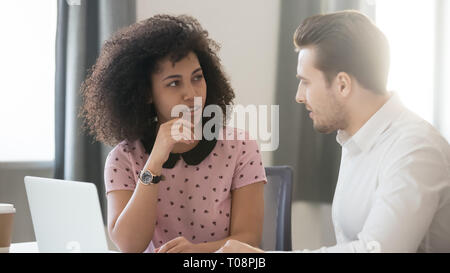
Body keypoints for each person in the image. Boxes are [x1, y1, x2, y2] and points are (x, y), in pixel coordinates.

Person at [217, 10, 450, 253]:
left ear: (342, 85)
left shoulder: (416, 150)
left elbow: (377, 250)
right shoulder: (357, 140)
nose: (298, 96)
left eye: (306, 82)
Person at [79, 14, 267, 253]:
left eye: (197, 78)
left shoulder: (240, 146)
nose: (191, 93)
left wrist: (195, 251)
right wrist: (155, 160)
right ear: (147, 93)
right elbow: (129, 246)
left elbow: (249, 238)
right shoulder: (123, 158)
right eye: (174, 83)